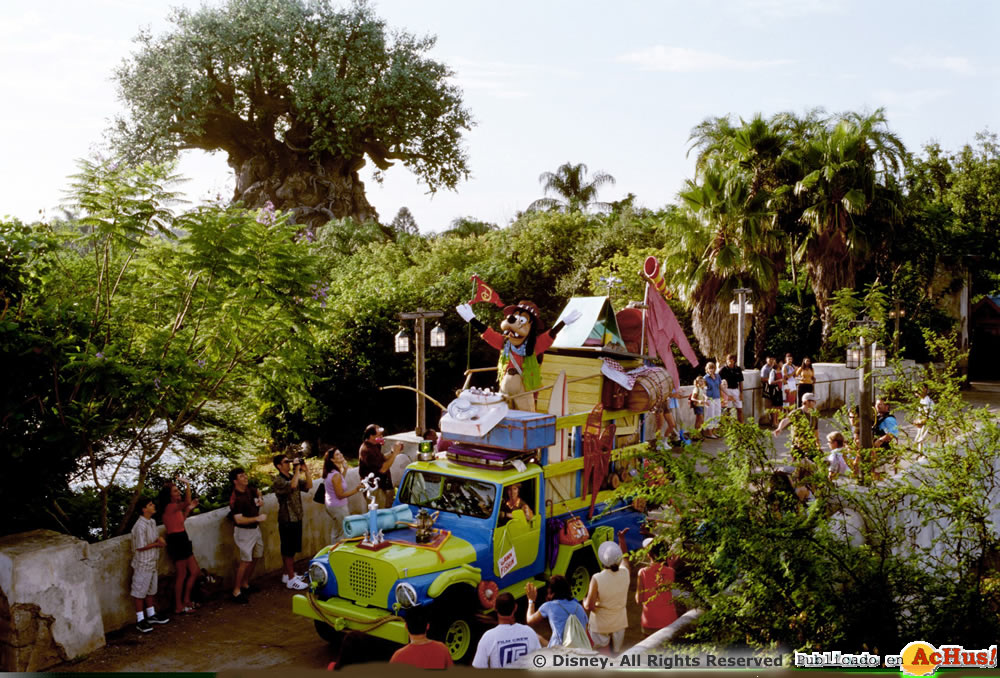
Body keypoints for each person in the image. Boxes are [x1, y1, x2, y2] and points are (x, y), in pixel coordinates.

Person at [583, 529, 631, 654]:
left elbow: (589, 606)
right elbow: (626, 558)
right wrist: (621, 539)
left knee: (599, 656)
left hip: (600, 625)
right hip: (619, 623)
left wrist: (584, 601)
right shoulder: (625, 573)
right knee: (616, 654)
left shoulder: (597, 578)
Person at [157, 478, 200, 614]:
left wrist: (189, 509)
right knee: (182, 574)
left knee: (194, 571)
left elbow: (181, 521)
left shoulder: (176, 509)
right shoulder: (170, 507)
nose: (178, 493)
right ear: (169, 495)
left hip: (183, 538)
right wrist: (187, 484)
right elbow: (186, 502)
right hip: (176, 540)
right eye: (175, 491)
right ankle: (179, 606)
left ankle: (186, 600)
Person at [273, 450, 312, 590]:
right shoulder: (278, 480)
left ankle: (287, 574)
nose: (288, 464)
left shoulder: (291, 475)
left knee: (292, 548)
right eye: (285, 462)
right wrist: (296, 470)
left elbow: (308, 486)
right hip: (287, 518)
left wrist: (305, 471)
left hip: (297, 516)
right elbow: (293, 485)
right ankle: (291, 579)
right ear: (278, 466)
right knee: (288, 549)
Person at [130, 499, 170, 633]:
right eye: (150, 505)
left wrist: (159, 540)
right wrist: (157, 544)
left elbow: (154, 538)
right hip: (143, 563)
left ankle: (151, 614)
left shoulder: (152, 522)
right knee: (139, 591)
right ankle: (140, 619)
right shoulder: (139, 526)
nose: (153, 506)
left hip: (152, 561)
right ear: (143, 509)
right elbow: (140, 546)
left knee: (150, 590)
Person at [472, 592, 541, 668]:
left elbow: (478, 667)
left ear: (495, 607)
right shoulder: (529, 632)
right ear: (515, 607)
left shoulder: (488, 637)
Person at [229, 467, 267, 604]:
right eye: (241, 476)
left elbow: (258, 492)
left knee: (256, 555)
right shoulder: (236, 498)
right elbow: (238, 519)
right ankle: (236, 591)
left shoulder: (249, 489)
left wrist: (260, 499)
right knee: (245, 561)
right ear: (235, 481)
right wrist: (257, 519)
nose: (245, 477)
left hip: (255, 530)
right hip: (244, 532)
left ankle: (245, 583)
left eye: (245, 475)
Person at [525, 575, 588, 647]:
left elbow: (529, 620)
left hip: (558, 652)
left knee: (535, 635)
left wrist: (531, 600)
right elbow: (585, 631)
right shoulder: (579, 607)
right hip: (580, 650)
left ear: (552, 594)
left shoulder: (549, 606)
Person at [635, 538, 677, 635]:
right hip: (669, 620)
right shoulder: (671, 571)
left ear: (649, 554)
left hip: (650, 621)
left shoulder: (642, 572)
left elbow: (638, 600)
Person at [359, 424, 404, 509]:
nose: (382, 437)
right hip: (375, 489)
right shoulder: (367, 450)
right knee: (380, 514)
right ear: (371, 436)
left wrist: (392, 451)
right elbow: (382, 469)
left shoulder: (374, 446)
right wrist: (395, 454)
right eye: (379, 435)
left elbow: (381, 458)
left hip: (383, 485)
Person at [324, 449, 363, 543]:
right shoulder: (335, 475)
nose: (341, 455)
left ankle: (333, 551)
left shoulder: (333, 472)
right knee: (342, 533)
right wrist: (356, 489)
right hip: (338, 507)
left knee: (337, 531)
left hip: (332, 505)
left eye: (340, 453)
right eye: (337, 455)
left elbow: (339, 483)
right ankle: (337, 553)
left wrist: (345, 470)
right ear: (332, 460)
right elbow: (340, 495)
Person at [774, 392, 820, 461]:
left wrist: (817, 444)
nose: (815, 403)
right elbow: (786, 420)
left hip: (810, 445)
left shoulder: (814, 414)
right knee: (798, 466)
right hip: (798, 446)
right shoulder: (797, 413)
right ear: (806, 402)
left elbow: (816, 430)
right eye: (813, 401)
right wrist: (779, 428)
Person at [719, 354, 744, 423]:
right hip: (727, 390)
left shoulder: (738, 369)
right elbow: (718, 381)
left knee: (739, 409)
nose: (729, 362)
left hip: (736, 390)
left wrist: (741, 393)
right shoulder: (723, 369)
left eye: (731, 360)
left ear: (734, 361)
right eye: (728, 360)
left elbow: (741, 382)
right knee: (728, 410)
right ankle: (727, 427)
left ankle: (741, 426)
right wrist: (723, 394)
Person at [760, 356, 783, 428]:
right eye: (770, 359)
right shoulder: (767, 369)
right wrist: (776, 380)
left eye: (773, 359)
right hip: (770, 389)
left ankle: (776, 420)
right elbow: (765, 379)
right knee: (773, 406)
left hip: (777, 388)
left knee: (778, 406)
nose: (772, 361)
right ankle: (773, 421)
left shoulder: (777, 369)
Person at [702, 362, 723, 439]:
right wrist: (705, 398)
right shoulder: (705, 378)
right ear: (706, 369)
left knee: (717, 414)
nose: (711, 370)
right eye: (709, 368)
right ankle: (709, 433)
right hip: (710, 399)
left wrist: (723, 396)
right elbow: (703, 390)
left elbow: (720, 387)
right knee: (710, 415)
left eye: (712, 368)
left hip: (717, 398)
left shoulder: (717, 376)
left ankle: (714, 431)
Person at [913, 385, 934, 453]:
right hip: (923, 425)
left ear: (925, 389)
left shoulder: (927, 401)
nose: (917, 393)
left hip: (928, 425)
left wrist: (920, 422)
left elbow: (928, 417)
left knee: (923, 443)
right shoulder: (922, 400)